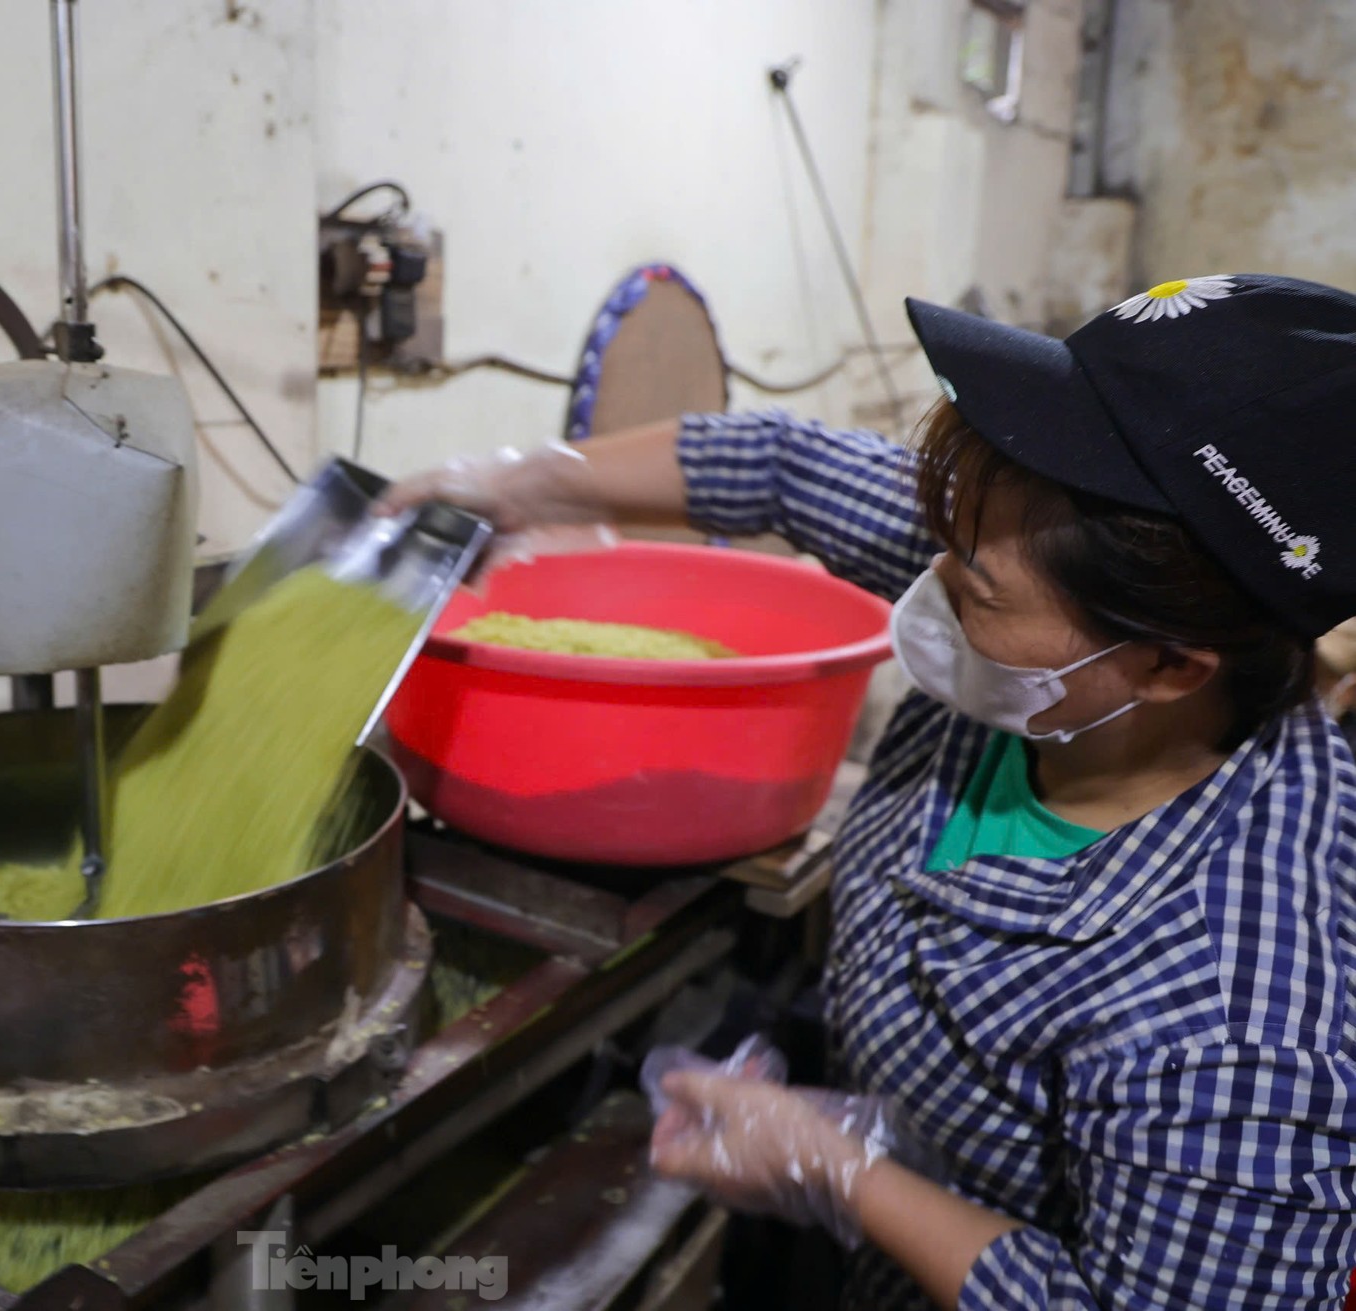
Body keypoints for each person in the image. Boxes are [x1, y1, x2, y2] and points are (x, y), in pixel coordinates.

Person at [381, 274, 1356, 1310]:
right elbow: (781, 465)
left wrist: (845, 1176)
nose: (927, 578)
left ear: (1169, 667)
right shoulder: (1047, 595)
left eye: (974, 590)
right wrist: (528, 482)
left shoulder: (1240, 1024)